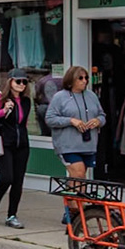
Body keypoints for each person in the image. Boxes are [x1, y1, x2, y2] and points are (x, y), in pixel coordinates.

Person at [46, 65, 105, 224]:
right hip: (67, 144)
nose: (84, 81)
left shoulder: (91, 96)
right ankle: (75, 211)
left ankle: (73, 209)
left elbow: (102, 115)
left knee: (80, 177)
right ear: (71, 80)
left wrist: (98, 121)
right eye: (80, 78)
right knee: (77, 172)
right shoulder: (60, 97)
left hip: (88, 144)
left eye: (86, 78)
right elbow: (50, 118)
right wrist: (71, 121)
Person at [0, 70, 33, 228]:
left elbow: (23, 123)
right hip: (3, 143)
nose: (21, 84)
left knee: (18, 181)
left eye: (24, 82)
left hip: (22, 145)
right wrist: (3, 111)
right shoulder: (0, 97)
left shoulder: (26, 101)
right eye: (18, 81)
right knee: (6, 178)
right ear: (10, 81)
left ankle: (12, 215)